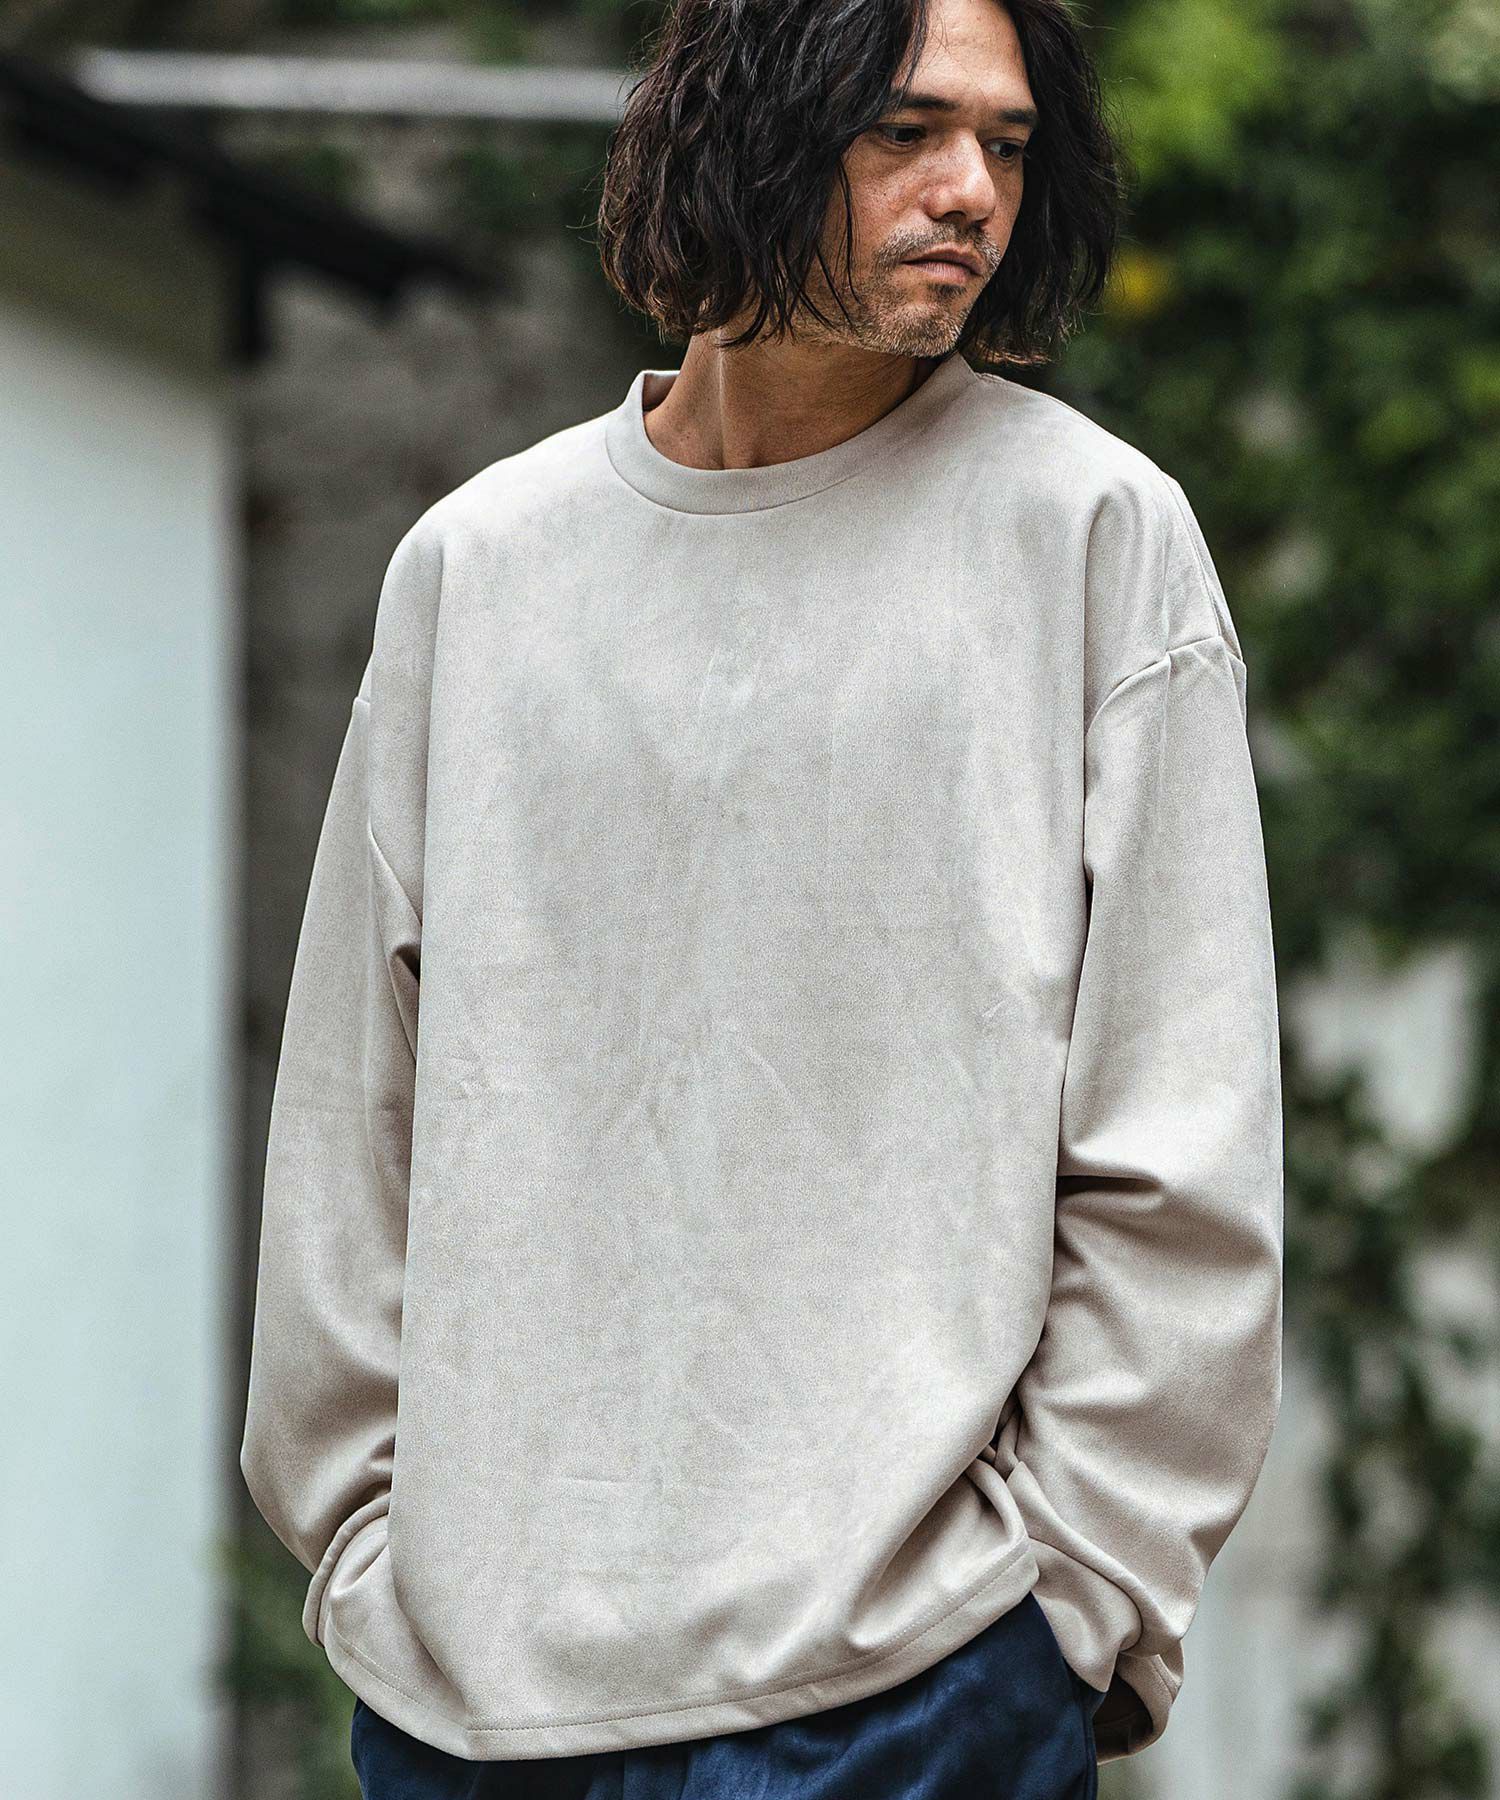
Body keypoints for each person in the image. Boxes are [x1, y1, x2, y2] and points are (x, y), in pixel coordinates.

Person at [238, 0, 1285, 1792]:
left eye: (1007, 144)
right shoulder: (480, 570)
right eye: (907, 131)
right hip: (475, 1707)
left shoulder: (1094, 539)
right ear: (750, 129)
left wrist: (1059, 1607)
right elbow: (357, 1116)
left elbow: (1180, 1149)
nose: (971, 191)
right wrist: (366, 1559)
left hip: (915, 1690)